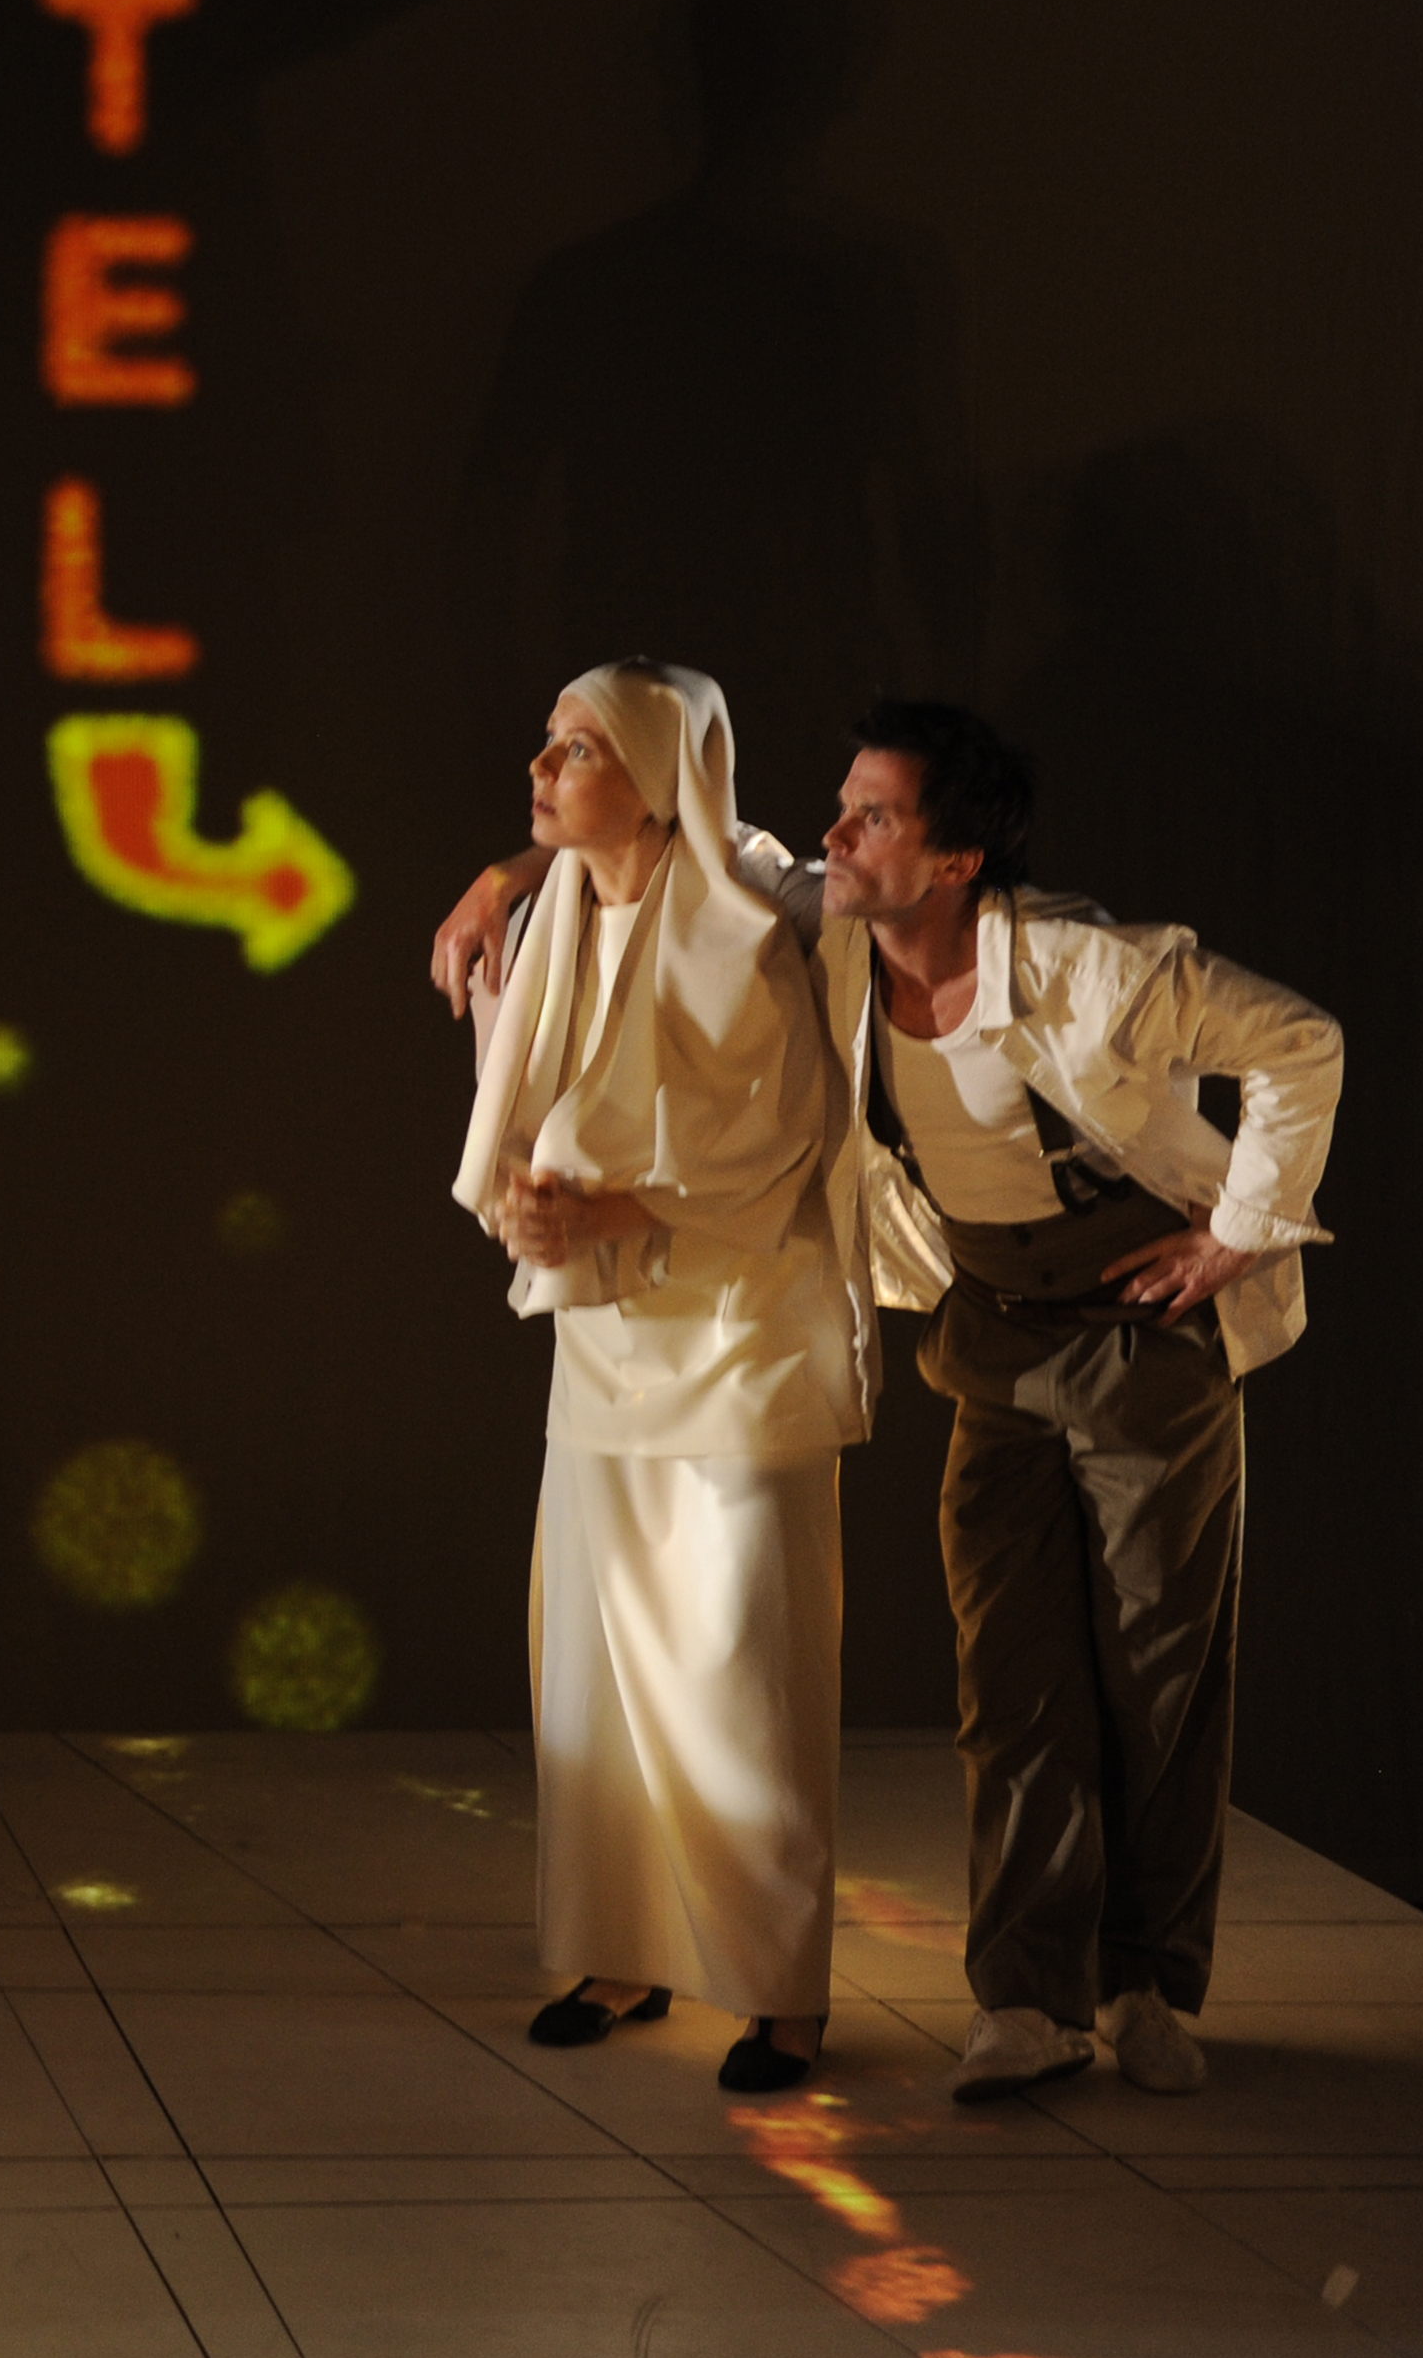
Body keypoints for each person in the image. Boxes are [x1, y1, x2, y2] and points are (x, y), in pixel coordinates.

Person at [436, 700, 1342, 2105]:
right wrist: (506, 875)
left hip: (1144, 1330)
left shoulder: (1091, 968)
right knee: (1013, 1678)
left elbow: (1299, 1042)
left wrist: (1235, 1232)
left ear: (956, 861)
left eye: (871, 818)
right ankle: (1026, 2000)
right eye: (843, 808)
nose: (835, 836)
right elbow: (696, 836)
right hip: (995, 1328)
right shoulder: (836, 928)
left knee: (1156, 1673)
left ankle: (1147, 1982)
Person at [447, 661, 869, 2094]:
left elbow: (777, 1144)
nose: (540, 768)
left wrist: (613, 1210)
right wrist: (540, 1207)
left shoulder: (747, 925)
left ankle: (778, 1991)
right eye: (547, 741)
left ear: (656, 780)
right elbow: (529, 1102)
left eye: (576, 750)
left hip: (737, 1338)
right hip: (607, 1339)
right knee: (601, 1661)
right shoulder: (554, 914)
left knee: (743, 1668)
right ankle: (620, 1951)